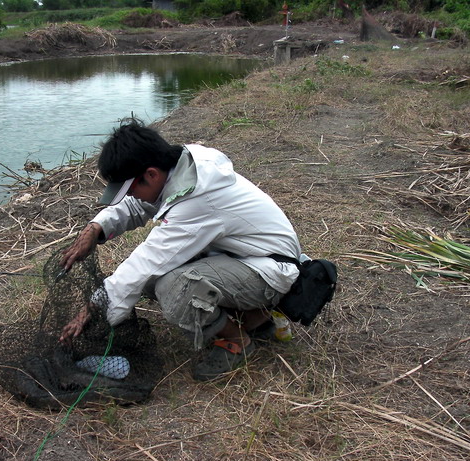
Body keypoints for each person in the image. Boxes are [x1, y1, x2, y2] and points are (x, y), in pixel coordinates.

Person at [58, 118, 302, 381]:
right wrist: (97, 227)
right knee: (157, 281)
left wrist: (93, 308)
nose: (131, 197)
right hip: (243, 258)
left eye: (130, 189)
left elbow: (145, 264)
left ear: (151, 174)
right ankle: (254, 317)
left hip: (270, 269)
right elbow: (139, 205)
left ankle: (237, 340)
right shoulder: (177, 166)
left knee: (173, 287)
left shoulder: (197, 199)